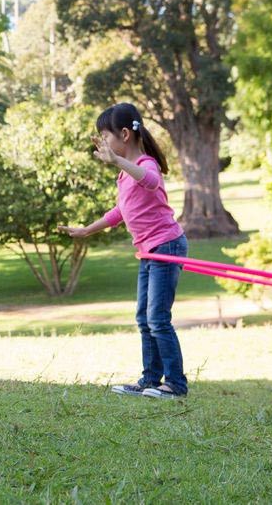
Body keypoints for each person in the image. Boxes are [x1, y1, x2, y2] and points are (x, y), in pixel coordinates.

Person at [59, 102, 189, 399]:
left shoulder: (145, 164)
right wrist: (86, 230)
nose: (103, 143)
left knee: (158, 318)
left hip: (166, 245)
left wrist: (117, 162)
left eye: (105, 136)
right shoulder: (125, 173)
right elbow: (121, 210)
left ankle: (176, 384)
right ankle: (151, 380)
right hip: (149, 250)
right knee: (144, 319)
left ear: (124, 136)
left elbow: (152, 182)